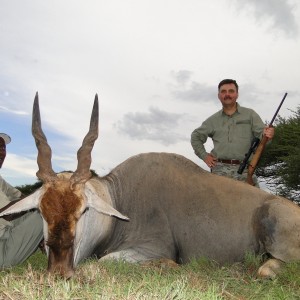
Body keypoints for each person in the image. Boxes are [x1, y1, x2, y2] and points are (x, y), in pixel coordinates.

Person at [191, 79, 274, 187]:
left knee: (255, 204)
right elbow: (195, 136)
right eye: (223, 91)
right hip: (219, 172)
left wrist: (268, 135)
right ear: (219, 95)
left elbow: (263, 138)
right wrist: (204, 156)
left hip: (245, 171)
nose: (227, 94)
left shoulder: (250, 114)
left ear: (237, 94)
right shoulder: (212, 120)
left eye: (231, 91)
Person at [0, 132, 43, 268]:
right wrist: (42, 199)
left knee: (38, 211)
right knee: (45, 215)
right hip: (2, 250)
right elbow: (7, 213)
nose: (2, 153)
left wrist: (39, 198)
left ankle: (39, 241)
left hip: (4, 231)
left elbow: (20, 197)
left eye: (3, 148)